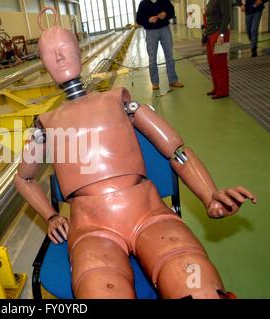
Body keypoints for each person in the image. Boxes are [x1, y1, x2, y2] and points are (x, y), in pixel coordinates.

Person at [15, 9, 256, 299]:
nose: (60, 58)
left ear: (78, 50)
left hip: (149, 213)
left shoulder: (118, 100)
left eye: (64, 49)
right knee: (101, 289)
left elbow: (176, 151)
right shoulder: (46, 123)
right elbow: (24, 179)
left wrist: (209, 194)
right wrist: (51, 216)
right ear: (43, 63)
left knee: (194, 280)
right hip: (92, 229)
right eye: (50, 54)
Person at [136, 0, 184, 91]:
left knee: (169, 56)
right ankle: (155, 83)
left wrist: (165, 14)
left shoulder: (164, 1)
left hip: (165, 30)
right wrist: (148, 20)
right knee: (152, 58)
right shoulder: (143, 4)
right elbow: (138, 20)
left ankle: (173, 80)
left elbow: (172, 12)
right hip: (151, 32)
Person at [204, 0, 230, 99]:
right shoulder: (210, 1)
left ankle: (223, 91)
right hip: (210, 35)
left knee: (220, 63)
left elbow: (226, 17)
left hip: (219, 34)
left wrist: (222, 34)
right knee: (212, 64)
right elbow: (208, 20)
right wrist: (205, 36)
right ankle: (217, 88)